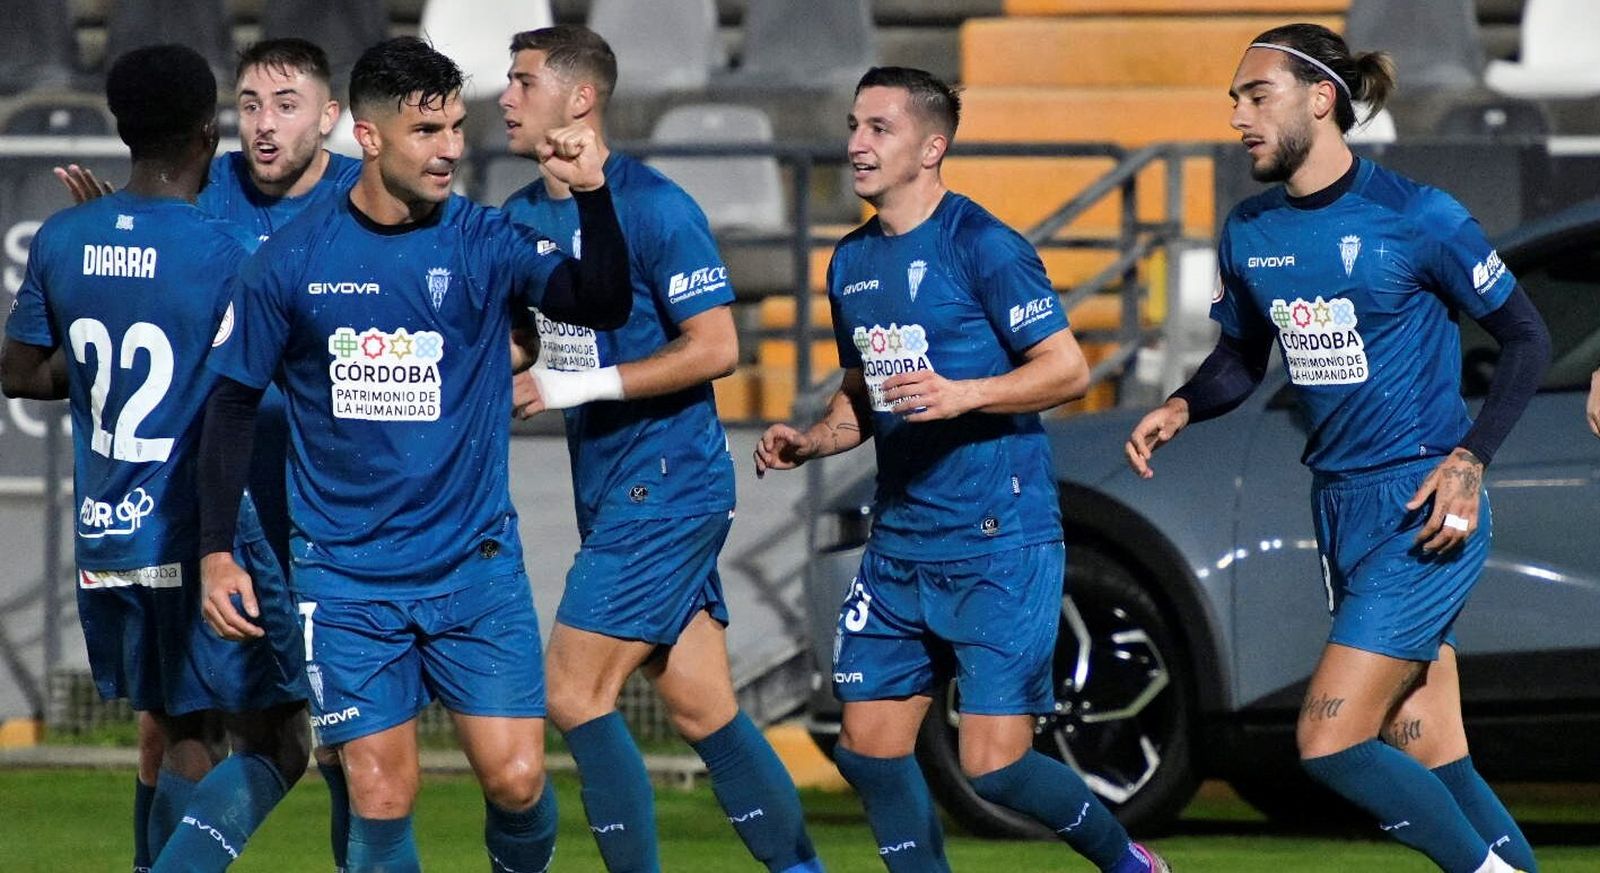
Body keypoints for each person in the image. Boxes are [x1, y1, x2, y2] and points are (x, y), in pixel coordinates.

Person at [196, 36, 634, 873]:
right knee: (380, 791)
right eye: (428, 131)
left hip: (475, 567)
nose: (451, 150)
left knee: (515, 779)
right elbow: (230, 403)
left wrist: (595, 195)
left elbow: (602, 299)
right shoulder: (292, 261)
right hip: (346, 578)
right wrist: (218, 549)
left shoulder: (483, 239)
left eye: (456, 128)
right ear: (368, 136)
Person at [1125, 23, 1551, 873]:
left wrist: (1469, 460)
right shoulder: (1249, 228)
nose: (1239, 117)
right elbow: (1240, 361)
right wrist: (1180, 405)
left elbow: (1528, 337)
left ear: (1322, 99)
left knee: (1328, 738)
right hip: (1340, 507)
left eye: (1257, 95)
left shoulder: (1417, 216)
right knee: (1432, 750)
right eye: (1235, 101)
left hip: (1422, 505)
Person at [754, 66, 1170, 873]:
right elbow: (864, 396)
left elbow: (1067, 368)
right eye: (853, 125)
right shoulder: (850, 263)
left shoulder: (983, 244)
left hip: (998, 539)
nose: (856, 144)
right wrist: (813, 439)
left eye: (880, 128)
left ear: (932, 146)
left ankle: (1128, 862)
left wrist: (967, 392)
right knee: (870, 751)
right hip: (902, 539)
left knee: (996, 764)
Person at [497, 25, 824, 873]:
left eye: (523, 81)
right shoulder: (520, 214)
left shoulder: (656, 206)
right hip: (612, 485)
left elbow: (717, 346)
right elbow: (528, 342)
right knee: (704, 709)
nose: (503, 97)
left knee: (572, 691)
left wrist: (581, 387)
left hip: (668, 481)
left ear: (579, 100)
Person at [55, 37, 363, 872]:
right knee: (172, 727)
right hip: (212, 507)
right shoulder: (208, 190)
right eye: (252, 105)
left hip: (324, 504)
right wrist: (112, 226)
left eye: (287, 104)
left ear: (331, 118)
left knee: (344, 737)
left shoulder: (364, 200)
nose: (264, 126)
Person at [0, 44, 310, 872]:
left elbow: (22, 371)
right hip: (196, 530)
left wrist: (100, 341)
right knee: (282, 742)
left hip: (106, 539)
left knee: (183, 728)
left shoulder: (65, 239)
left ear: (122, 129)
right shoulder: (224, 251)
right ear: (208, 134)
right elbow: (264, 377)